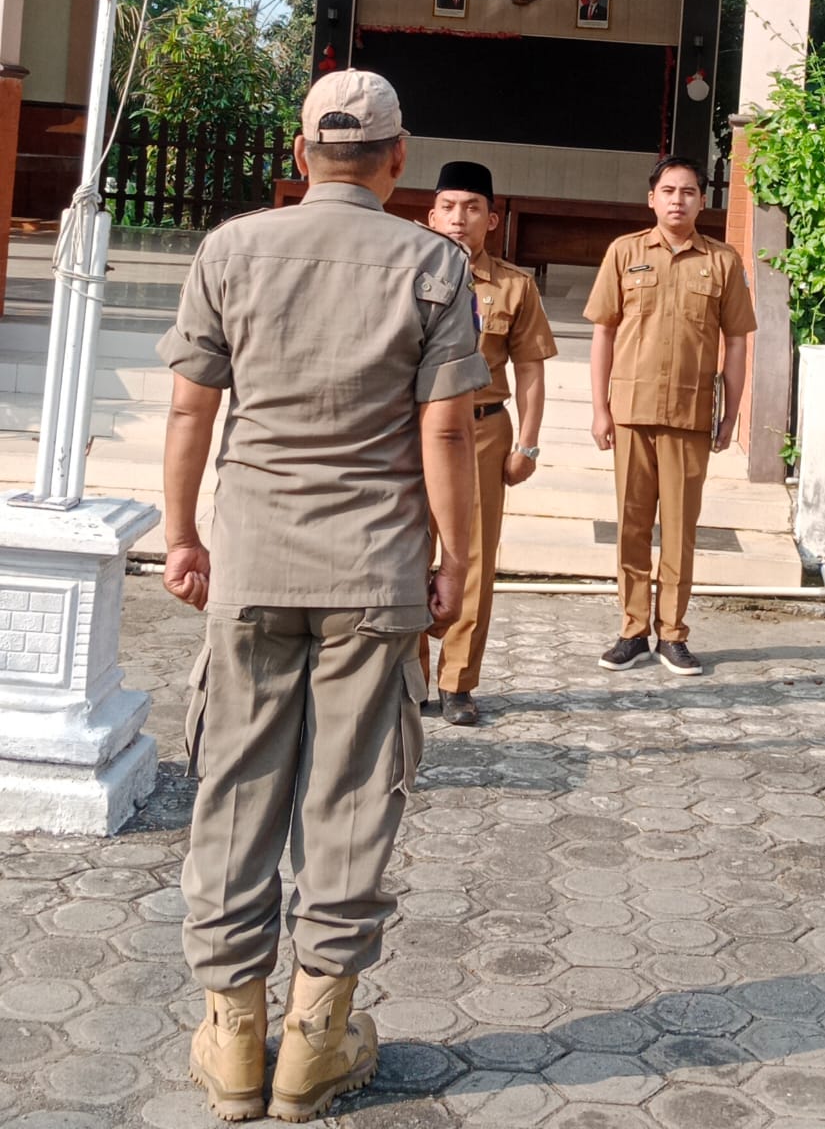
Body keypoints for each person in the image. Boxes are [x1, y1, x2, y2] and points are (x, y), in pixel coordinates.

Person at [158, 69, 489, 1124]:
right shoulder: (433, 264)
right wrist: (458, 556)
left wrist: (183, 533)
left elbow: (190, 410)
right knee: (350, 795)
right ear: (398, 160)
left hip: (252, 561)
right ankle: (314, 1041)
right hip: (373, 571)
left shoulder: (231, 250)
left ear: (301, 154)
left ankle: (230, 1035)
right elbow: (446, 429)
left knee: (236, 784)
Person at [584, 155, 757, 676]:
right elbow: (604, 331)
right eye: (668, 190)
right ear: (651, 199)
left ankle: (673, 634)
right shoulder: (625, 252)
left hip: (689, 413)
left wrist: (730, 415)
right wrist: (599, 408)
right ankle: (632, 630)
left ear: (702, 201)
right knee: (632, 526)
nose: (677, 200)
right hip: (631, 411)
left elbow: (736, 341)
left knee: (680, 530)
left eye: (688, 192)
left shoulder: (722, 261)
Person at [422, 160, 557, 724]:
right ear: (431, 215)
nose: (459, 218)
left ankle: (457, 682)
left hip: (480, 429)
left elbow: (530, 369)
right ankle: (408, 677)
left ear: (492, 219)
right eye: (449, 207)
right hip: (414, 428)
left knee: (472, 556)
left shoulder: (513, 286)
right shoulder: (403, 273)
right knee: (406, 549)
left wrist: (527, 444)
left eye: (472, 208)